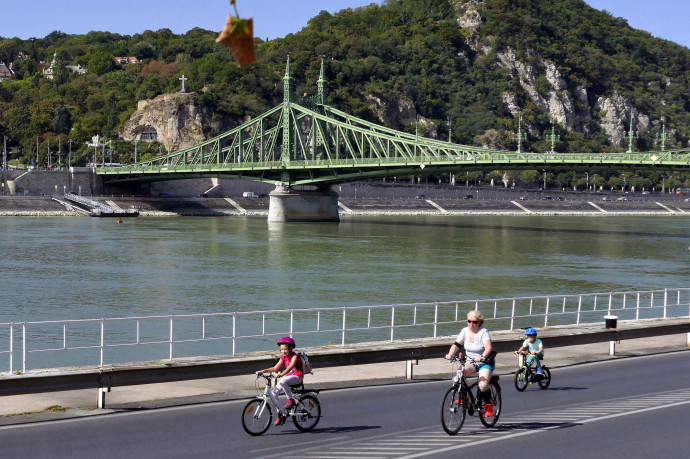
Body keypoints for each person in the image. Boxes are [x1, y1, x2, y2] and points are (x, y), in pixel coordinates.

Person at [445, 310, 495, 417]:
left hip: (484, 362)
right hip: (470, 361)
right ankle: (464, 396)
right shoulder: (464, 331)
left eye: (474, 322)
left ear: (479, 322)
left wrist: (482, 357)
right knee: (459, 374)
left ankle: (488, 403)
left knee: (482, 385)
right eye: (469, 321)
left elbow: (488, 348)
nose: (471, 324)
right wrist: (450, 354)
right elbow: (457, 344)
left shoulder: (483, 332)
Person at [256, 336, 304, 425]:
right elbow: (275, 368)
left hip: (297, 377)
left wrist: (281, 374)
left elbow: (290, 367)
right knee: (273, 395)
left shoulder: (295, 356)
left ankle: (291, 400)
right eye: (281, 349)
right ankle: (281, 414)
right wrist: (263, 371)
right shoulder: (283, 357)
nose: (283, 351)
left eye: (285, 349)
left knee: (282, 381)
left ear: (290, 348)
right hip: (289, 378)